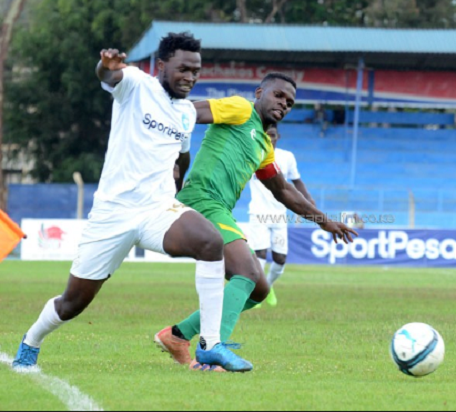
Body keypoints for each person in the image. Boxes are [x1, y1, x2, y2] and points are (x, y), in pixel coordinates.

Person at [12, 32, 252, 373]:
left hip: (157, 210)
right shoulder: (137, 85)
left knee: (210, 240)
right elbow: (111, 76)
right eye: (183, 68)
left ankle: (209, 344)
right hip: (113, 215)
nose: (190, 76)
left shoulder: (185, 112)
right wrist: (105, 67)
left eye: (196, 70)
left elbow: (181, 156)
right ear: (162, 65)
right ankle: (31, 341)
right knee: (72, 304)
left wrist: (179, 188)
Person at [154, 73, 358, 371]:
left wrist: (325, 221)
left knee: (259, 289)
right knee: (248, 270)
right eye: (278, 96)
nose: (283, 105)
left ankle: (177, 335)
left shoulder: (263, 145)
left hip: (219, 208)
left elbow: (283, 189)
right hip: (201, 200)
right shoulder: (240, 108)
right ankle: (212, 352)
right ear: (260, 92)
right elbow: (189, 113)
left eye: (289, 103)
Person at [248, 125, 316, 307]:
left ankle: (266, 288)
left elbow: (297, 182)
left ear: (278, 136)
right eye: (266, 136)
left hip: (279, 215)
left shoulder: (287, 157)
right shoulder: (252, 154)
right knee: (260, 254)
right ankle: (256, 296)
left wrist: (308, 201)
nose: (270, 139)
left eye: (273, 135)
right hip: (258, 213)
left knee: (280, 259)